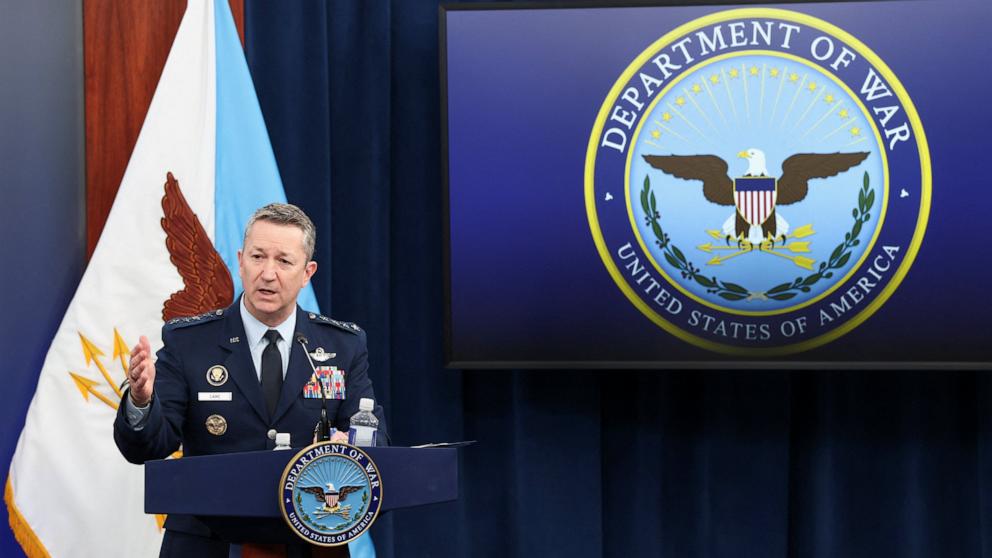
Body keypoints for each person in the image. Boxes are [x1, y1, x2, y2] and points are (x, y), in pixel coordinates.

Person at [114, 203, 387, 557]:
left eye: (284, 261)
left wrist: (350, 445)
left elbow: (374, 440)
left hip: (310, 539)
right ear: (241, 261)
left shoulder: (342, 346)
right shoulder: (189, 343)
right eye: (258, 257)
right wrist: (140, 402)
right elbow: (147, 447)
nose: (268, 273)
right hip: (210, 542)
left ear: (307, 272)